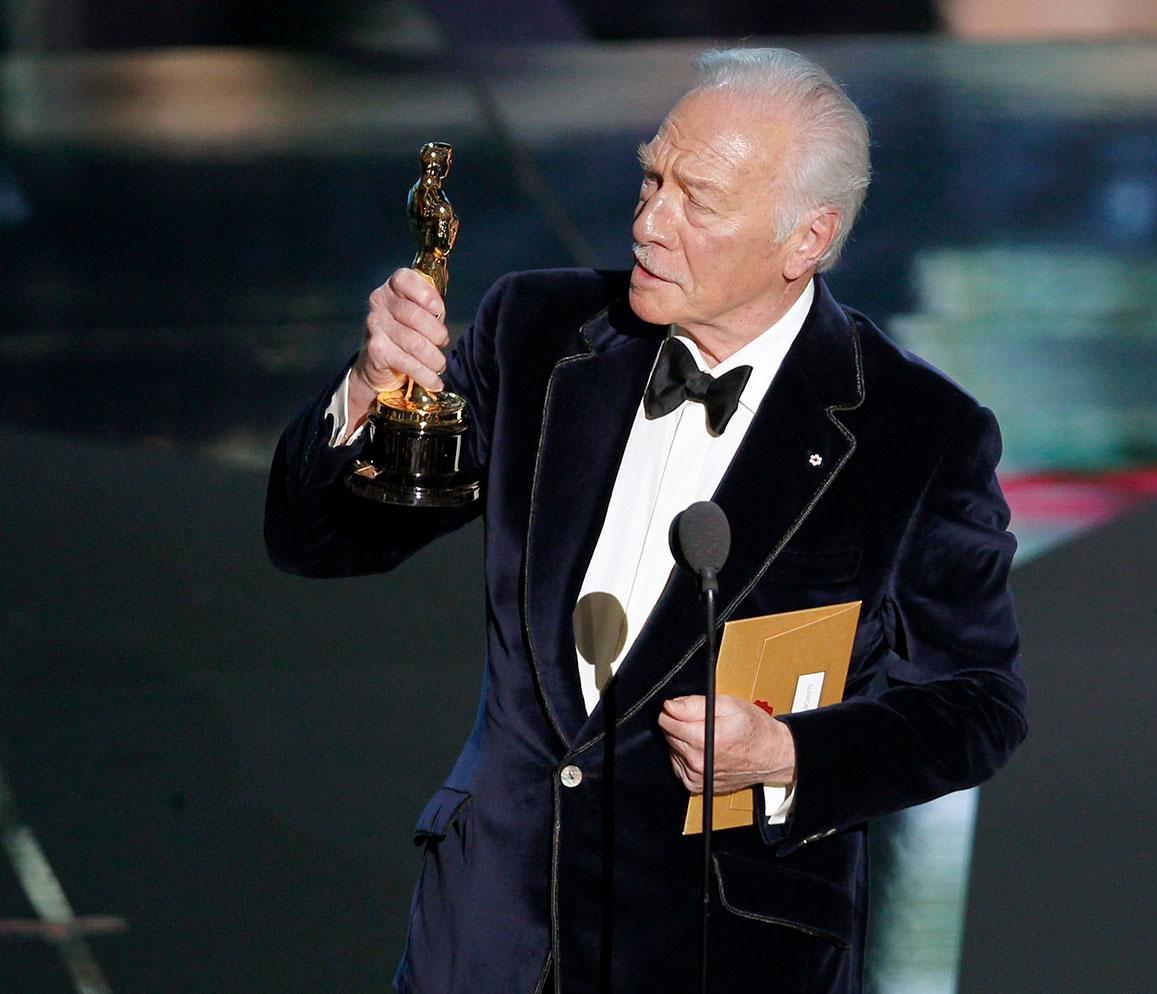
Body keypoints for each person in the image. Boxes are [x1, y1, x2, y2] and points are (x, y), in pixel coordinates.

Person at [265, 47, 1026, 994]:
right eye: (649, 177)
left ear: (807, 240)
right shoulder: (535, 334)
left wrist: (789, 756)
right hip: (488, 936)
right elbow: (320, 541)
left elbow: (976, 705)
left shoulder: (918, 433)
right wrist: (367, 394)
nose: (649, 222)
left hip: (722, 954)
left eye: (696, 199)